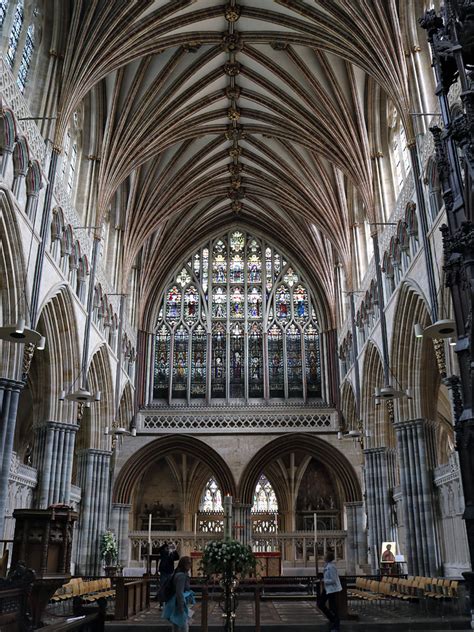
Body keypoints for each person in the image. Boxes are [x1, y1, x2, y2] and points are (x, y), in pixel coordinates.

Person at [162, 556, 195, 632]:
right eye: (189, 563)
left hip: (176, 601)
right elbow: (179, 592)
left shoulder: (177, 573)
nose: (191, 565)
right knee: (183, 626)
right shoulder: (181, 576)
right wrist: (181, 606)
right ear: (184, 564)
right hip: (178, 602)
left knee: (176, 624)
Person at [317, 551, 342, 632]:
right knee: (321, 604)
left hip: (332, 589)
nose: (323, 557)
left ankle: (336, 625)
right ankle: (332, 620)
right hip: (327, 588)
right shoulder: (327, 565)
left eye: (325, 555)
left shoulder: (332, 567)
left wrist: (324, 581)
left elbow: (334, 580)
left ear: (328, 557)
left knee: (332, 607)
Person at [157, 542, 179, 606]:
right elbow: (159, 549)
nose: (169, 548)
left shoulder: (172, 553)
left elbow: (177, 557)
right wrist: (166, 545)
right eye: (168, 547)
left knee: (169, 587)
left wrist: (174, 550)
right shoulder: (163, 552)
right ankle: (161, 603)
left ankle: (168, 602)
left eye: (170, 547)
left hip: (170, 572)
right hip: (163, 572)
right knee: (162, 587)